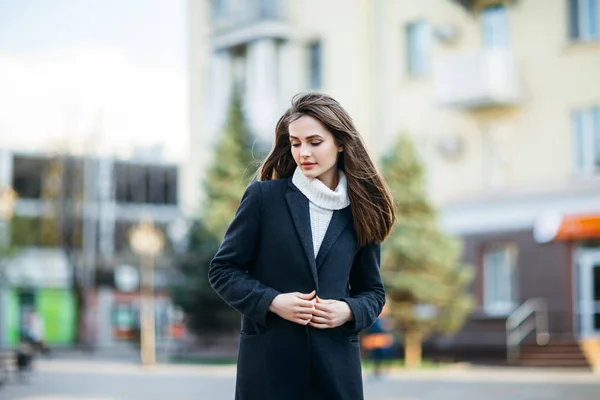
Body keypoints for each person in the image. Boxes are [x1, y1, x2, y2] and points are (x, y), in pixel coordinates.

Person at [209, 92, 396, 400]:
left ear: (340, 142)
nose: (303, 152)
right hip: (269, 367)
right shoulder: (263, 198)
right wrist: (272, 301)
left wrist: (348, 310)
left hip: (335, 371)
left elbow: (373, 292)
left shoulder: (362, 209)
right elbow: (223, 270)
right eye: (295, 143)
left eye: (314, 142)